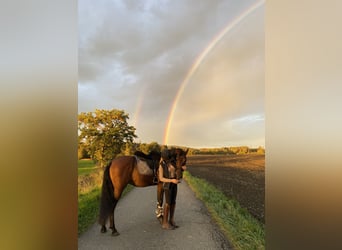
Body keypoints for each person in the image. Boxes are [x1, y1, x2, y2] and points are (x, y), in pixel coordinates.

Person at [158, 150, 180, 230]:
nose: (169, 160)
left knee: (173, 202)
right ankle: (165, 223)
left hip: (174, 185)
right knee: (168, 203)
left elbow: (178, 166)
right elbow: (161, 178)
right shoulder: (161, 165)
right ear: (164, 158)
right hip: (167, 186)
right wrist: (171, 180)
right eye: (167, 159)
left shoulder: (172, 162)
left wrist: (183, 168)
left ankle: (171, 220)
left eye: (169, 158)